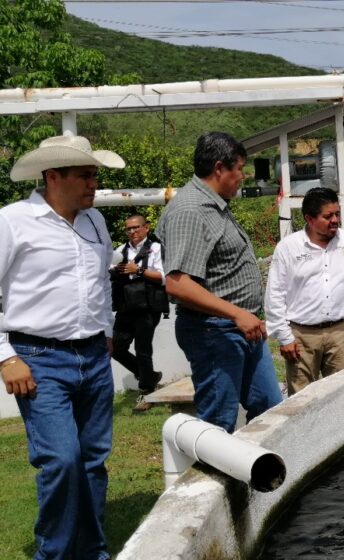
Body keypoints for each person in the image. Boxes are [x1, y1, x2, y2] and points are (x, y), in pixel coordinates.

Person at [0, 134, 124, 559]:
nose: (94, 185)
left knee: (91, 460)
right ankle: (53, 554)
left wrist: (105, 330)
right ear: (53, 176)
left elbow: (102, 280)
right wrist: (5, 356)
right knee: (62, 460)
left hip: (91, 355)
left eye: (95, 176)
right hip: (37, 357)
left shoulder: (95, 222)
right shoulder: (13, 221)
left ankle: (92, 552)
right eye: (85, 176)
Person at [156, 131, 282, 433]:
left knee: (269, 408)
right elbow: (177, 284)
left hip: (242, 327)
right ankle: (217, 479)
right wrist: (237, 314)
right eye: (239, 168)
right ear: (219, 168)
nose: (243, 176)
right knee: (218, 422)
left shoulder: (215, 206)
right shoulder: (190, 211)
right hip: (214, 330)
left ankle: (259, 477)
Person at [265, 188, 344, 395]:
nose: (335, 220)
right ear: (309, 218)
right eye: (328, 216)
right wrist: (285, 337)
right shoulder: (288, 247)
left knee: (343, 395)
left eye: (337, 214)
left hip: (342, 333)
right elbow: (274, 295)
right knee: (301, 399)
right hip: (301, 337)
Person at [110, 214, 168, 412]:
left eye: (136, 227)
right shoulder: (119, 250)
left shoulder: (157, 248)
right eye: (128, 229)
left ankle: (146, 391)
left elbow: (163, 278)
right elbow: (109, 272)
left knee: (143, 349)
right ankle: (149, 376)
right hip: (126, 305)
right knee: (115, 348)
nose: (132, 232)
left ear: (146, 227)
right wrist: (115, 271)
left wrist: (139, 270)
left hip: (148, 305)